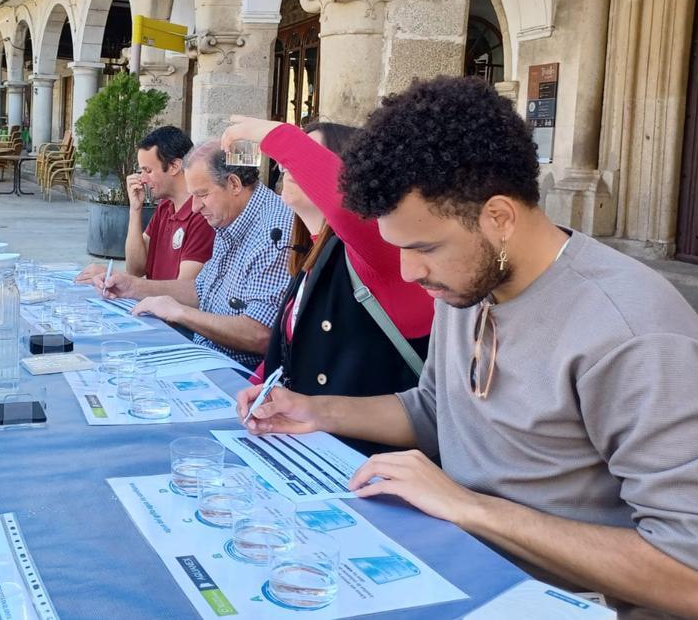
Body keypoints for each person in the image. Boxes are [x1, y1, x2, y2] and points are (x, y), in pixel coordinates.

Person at [237, 76, 698, 617]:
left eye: (425, 248)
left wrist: (470, 508)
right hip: (449, 570)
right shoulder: (470, 283)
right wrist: (314, 410)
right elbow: (437, 410)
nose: (409, 272)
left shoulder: (632, 334)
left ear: (500, 217)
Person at [221, 118, 434, 456]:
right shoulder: (312, 254)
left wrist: (273, 135)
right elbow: (290, 350)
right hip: (308, 445)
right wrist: (257, 394)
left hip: (367, 457)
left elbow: (346, 208)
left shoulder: (375, 252)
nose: (288, 166)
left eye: (310, 155)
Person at [101, 140, 292, 368]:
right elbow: (202, 289)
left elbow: (261, 334)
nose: (195, 207)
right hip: (206, 352)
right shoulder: (230, 213)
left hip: (238, 372)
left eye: (202, 194)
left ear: (234, 184)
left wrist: (180, 313)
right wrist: (133, 287)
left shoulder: (275, 232)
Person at [76, 126, 214, 284]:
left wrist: (113, 276)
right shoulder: (165, 207)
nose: (142, 179)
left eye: (148, 170)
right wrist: (135, 210)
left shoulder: (201, 215)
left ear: (175, 166)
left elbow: (183, 290)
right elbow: (135, 269)